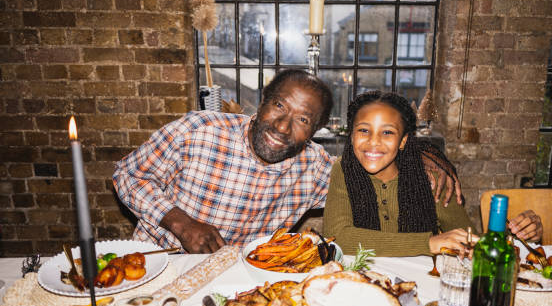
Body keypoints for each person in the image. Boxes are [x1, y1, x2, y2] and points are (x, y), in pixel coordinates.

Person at [113, 70, 462, 253]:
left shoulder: (316, 168)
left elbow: (371, 161)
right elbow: (127, 176)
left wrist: (421, 153)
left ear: (315, 130)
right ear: (262, 101)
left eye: (302, 120)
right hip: (160, 264)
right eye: (280, 106)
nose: (282, 126)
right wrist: (181, 223)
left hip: (241, 279)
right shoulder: (199, 129)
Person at [323, 90, 543, 257]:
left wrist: (511, 234)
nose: (373, 142)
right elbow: (338, 237)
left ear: (403, 141)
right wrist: (429, 243)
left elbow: (466, 238)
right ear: (351, 135)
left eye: (388, 132)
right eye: (363, 130)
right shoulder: (344, 169)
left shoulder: (430, 177)